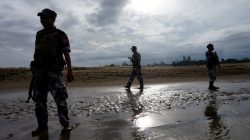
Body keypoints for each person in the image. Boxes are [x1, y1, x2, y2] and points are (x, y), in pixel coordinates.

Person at [31, 8, 74, 136]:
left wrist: (70, 71)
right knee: (39, 101)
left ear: (53, 19)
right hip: (39, 73)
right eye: (41, 18)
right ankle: (42, 127)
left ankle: (65, 125)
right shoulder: (39, 34)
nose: (42, 20)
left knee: (60, 100)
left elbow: (66, 54)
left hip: (54, 72)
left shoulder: (61, 34)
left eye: (45, 17)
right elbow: (37, 54)